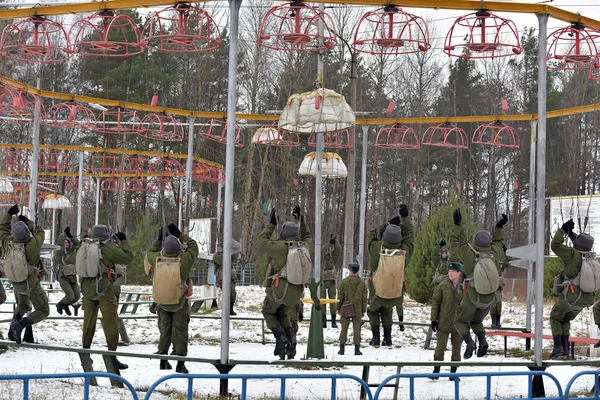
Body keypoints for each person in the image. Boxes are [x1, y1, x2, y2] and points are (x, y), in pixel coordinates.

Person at [67, 224, 133, 370]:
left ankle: (86, 356)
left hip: (87, 291)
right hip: (104, 290)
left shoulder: (84, 246)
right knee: (111, 323)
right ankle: (112, 358)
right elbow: (128, 257)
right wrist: (124, 240)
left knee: (88, 323)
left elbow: (71, 259)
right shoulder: (108, 248)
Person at [450, 209, 505, 359]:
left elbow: (454, 242)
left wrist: (457, 225)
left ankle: (469, 343)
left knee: (460, 321)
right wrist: (499, 228)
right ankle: (483, 342)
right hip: (489, 299)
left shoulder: (469, 254)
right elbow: (499, 242)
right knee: (477, 321)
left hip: (473, 296)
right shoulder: (495, 253)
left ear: (475, 242)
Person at [260, 205, 312, 360]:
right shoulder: (305, 246)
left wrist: (271, 225)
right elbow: (307, 235)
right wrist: (301, 220)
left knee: (268, 311)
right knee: (282, 313)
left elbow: (262, 240)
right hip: (296, 294)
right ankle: (292, 338)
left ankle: (280, 338)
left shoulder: (280, 247)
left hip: (280, 290)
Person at [147, 223, 199, 373]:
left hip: (162, 302)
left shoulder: (156, 259)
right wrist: (180, 235)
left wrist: (159, 238)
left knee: (165, 330)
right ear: (178, 249)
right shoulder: (183, 261)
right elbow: (194, 247)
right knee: (181, 331)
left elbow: (150, 251)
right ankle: (180, 364)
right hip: (179, 302)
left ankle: (163, 361)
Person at [367, 205, 414, 347]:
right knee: (387, 312)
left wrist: (388, 224)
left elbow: (371, 235)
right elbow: (410, 237)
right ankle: (388, 338)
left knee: (373, 311)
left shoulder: (376, 250)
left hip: (377, 293)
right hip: (393, 293)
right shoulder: (404, 253)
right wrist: (404, 219)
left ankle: (376, 337)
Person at [0, 204, 48, 344]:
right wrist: (28, 222)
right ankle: (20, 325)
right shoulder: (33, 245)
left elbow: (2, 228)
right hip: (31, 284)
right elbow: (40, 232)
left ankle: (14, 325)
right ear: (27, 233)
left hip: (16, 283)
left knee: (23, 305)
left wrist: (9, 213)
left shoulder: (7, 243)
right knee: (43, 309)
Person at [549, 219, 596, 359]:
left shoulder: (572, 255)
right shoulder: (590, 257)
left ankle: (558, 347)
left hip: (572, 296)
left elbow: (555, 245)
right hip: (586, 299)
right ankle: (564, 348)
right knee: (564, 319)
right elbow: (580, 244)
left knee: (555, 317)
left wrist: (563, 230)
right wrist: (571, 234)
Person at [430, 262, 464, 381]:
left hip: (459, 324)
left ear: (459, 273)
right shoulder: (443, 286)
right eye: (449, 271)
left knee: (457, 349)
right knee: (440, 348)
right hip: (443, 321)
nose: (450, 273)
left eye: (453, 272)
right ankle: (436, 371)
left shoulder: (465, 287)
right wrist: (433, 319)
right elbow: (435, 302)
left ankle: (453, 373)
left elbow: (469, 305)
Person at [337, 262, 367, 356]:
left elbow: (340, 297)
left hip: (345, 308)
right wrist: (363, 310)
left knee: (344, 328)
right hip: (358, 309)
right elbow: (364, 298)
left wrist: (338, 308)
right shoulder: (362, 283)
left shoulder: (344, 282)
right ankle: (357, 350)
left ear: (350, 270)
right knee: (357, 329)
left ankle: (342, 349)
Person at [54, 226, 81, 316]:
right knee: (70, 295)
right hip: (63, 277)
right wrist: (64, 234)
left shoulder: (72, 252)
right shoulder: (60, 253)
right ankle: (60, 305)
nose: (65, 243)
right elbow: (59, 244)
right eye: (64, 242)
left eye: (67, 242)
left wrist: (71, 237)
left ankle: (65, 305)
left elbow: (78, 246)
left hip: (72, 277)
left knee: (77, 296)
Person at [213, 239, 242, 316]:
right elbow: (222, 261)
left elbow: (235, 255)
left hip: (230, 277)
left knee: (232, 294)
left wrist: (233, 248)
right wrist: (226, 253)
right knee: (227, 293)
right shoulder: (217, 256)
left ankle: (230, 309)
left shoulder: (229, 254)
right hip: (222, 278)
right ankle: (226, 309)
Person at [321, 234, 341, 328]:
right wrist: (329, 244)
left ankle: (333, 321)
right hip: (322, 281)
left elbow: (338, 250)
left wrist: (335, 241)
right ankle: (323, 321)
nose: (327, 252)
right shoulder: (321, 259)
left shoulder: (333, 258)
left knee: (332, 301)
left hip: (331, 281)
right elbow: (322, 251)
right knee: (322, 301)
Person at [490, 244, 509, 329]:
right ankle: (493, 321)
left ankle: (497, 321)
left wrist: (505, 253)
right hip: (491, 280)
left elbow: (506, 264)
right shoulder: (491, 257)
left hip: (498, 282)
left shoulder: (501, 258)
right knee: (493, 302)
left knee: (498, 303)